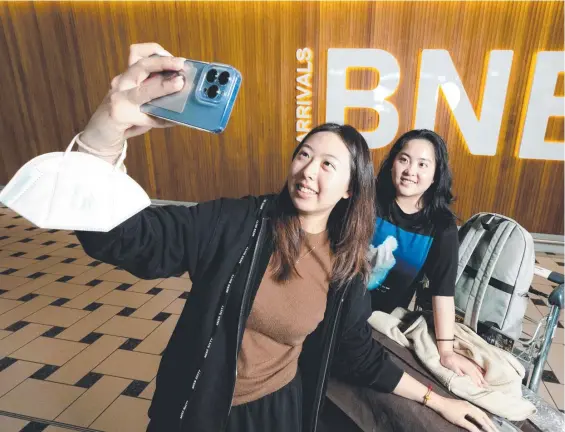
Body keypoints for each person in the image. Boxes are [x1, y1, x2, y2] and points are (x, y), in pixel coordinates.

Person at [73, 43, 496, 432]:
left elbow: (360, 355)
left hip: (276, 411)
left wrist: (437, 400)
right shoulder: (237, 222)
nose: (309, 170)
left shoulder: (345, 265)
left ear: (351, 188)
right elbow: (121, 238)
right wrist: (104, 132)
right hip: (198, 404)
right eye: (304, 154)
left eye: (329, 164)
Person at [368, 129, 488, 387]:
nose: (410, 170)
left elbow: (442, 293)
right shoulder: (367, 199)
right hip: (336, 306)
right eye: (404, 159)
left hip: (381, 323)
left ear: (435, 175)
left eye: (423, 164)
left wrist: (446, 351)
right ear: (392, 164)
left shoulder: (441, 228)